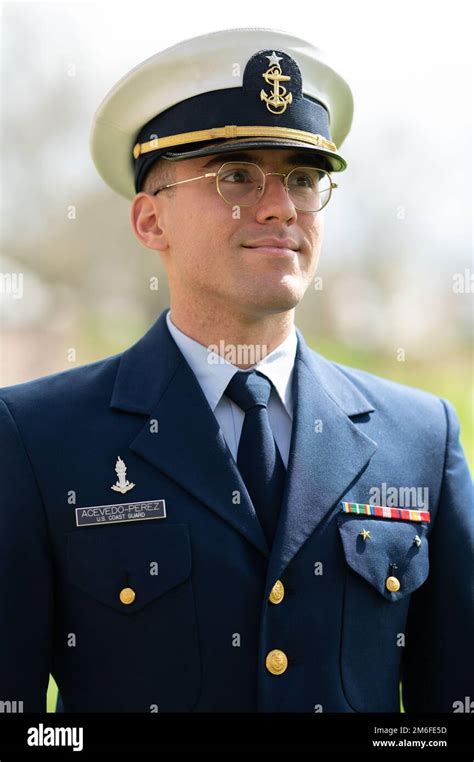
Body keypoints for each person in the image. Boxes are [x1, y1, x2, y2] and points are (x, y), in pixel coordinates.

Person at [0, 28, 472, 714]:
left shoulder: (421, 437)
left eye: (305, 179)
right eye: (237, 176)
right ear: (150, 221)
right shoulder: (36, 439)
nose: (281, 205)